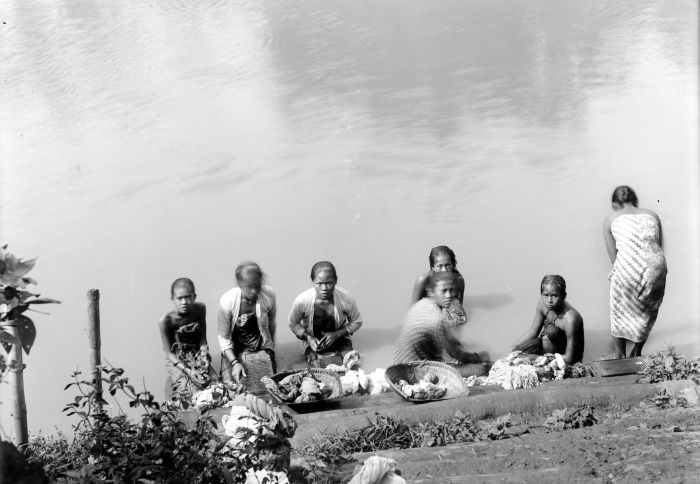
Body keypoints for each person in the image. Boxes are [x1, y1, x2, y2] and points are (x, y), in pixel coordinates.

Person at [603, 185, 667, 358]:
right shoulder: (652, 215)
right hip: (656, 266)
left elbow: (614, 257)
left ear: (614, 203)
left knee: (618, 308)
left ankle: (619, 354)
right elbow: (659, 246)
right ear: (635, 200)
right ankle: (637, 350)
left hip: (628, 267)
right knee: (647, 310)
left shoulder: (611, 219)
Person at [394, 271, 481, 365]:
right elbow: (450, 353)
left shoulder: (422, 303)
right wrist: (471, 356)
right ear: (431, 292)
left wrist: (459, 344)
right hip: (414, 367)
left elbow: (446, 338)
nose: (448, 296)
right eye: (444, 291)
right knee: (479, 368)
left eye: (452, 290)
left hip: (399, 360)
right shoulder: (436, 320)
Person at [288, 261, 363, 366]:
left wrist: (337, 334)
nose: (324, 288)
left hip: (339, 338)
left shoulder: (345, 299)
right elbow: (292, 323)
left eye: (329, 283)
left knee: (350, 362)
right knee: (317, 367)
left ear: (336, 281)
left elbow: (357, 322)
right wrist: (309, 338)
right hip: (313, 341)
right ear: (312, 281)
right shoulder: (302, 301)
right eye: (319, 284)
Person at [218, 262, 277, 393]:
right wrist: (234, 363)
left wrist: (271, 352)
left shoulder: (268, 295)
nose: (254, 291)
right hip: (233, 352)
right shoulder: (227, 301)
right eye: (249, 287)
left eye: (257, 286)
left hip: (259, 349)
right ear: (239, 284)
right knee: (230, 390)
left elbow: (271, 325)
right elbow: (223, 338)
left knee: (270, 390)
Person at [159, 278, 216, 401]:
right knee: (190, 394)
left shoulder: (200, 309)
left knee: (215, 387)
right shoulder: (166, 321)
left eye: (188, 297)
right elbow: (169, 354)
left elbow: (203, 339)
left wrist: (204, 356)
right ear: (172, 299)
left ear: (194, 296)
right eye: (179, 298)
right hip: (177, 360)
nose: (184, 302)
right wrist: (189, 372)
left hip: (197, 355)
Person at [512, 275, 584, 364]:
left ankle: (546, 361)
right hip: (549, 343)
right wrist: (514, 349)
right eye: (546, 295)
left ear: (564, 296)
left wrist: (537, 358)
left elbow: (570, 358)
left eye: (554, 296)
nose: (549, 300)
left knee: (548, 334)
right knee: (516, 353)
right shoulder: (542, 304)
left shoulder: (570, 319)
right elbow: (533, 331)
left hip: (568, 356)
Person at [410, 245, 468, 328]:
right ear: (433, 267)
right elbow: (412, 311)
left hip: (446, 306)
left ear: (453, 265)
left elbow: (459, 305)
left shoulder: (458, 280)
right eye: (440, 266)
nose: (444, 270)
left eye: (447, 265)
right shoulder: (423, 280)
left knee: (461, 320)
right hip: (427, 309)